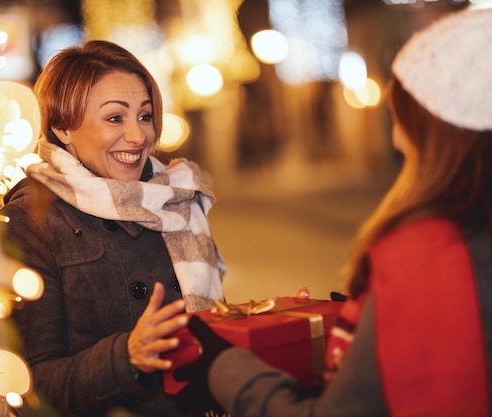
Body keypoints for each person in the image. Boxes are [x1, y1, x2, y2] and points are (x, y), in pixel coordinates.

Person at [174, 7, 492, 417]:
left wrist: (225, 367)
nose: (396, 139)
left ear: (443, 134)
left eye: (403, 119)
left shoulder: (428, 255)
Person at [0, 40, 225, 417]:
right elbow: (28, 384)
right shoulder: (31, 220)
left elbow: (211, 323)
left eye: (146, 116)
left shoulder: (176, 199)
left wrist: (273, 321)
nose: (138, 137)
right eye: (115, 118)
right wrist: (126, 357)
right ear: (63, 127)